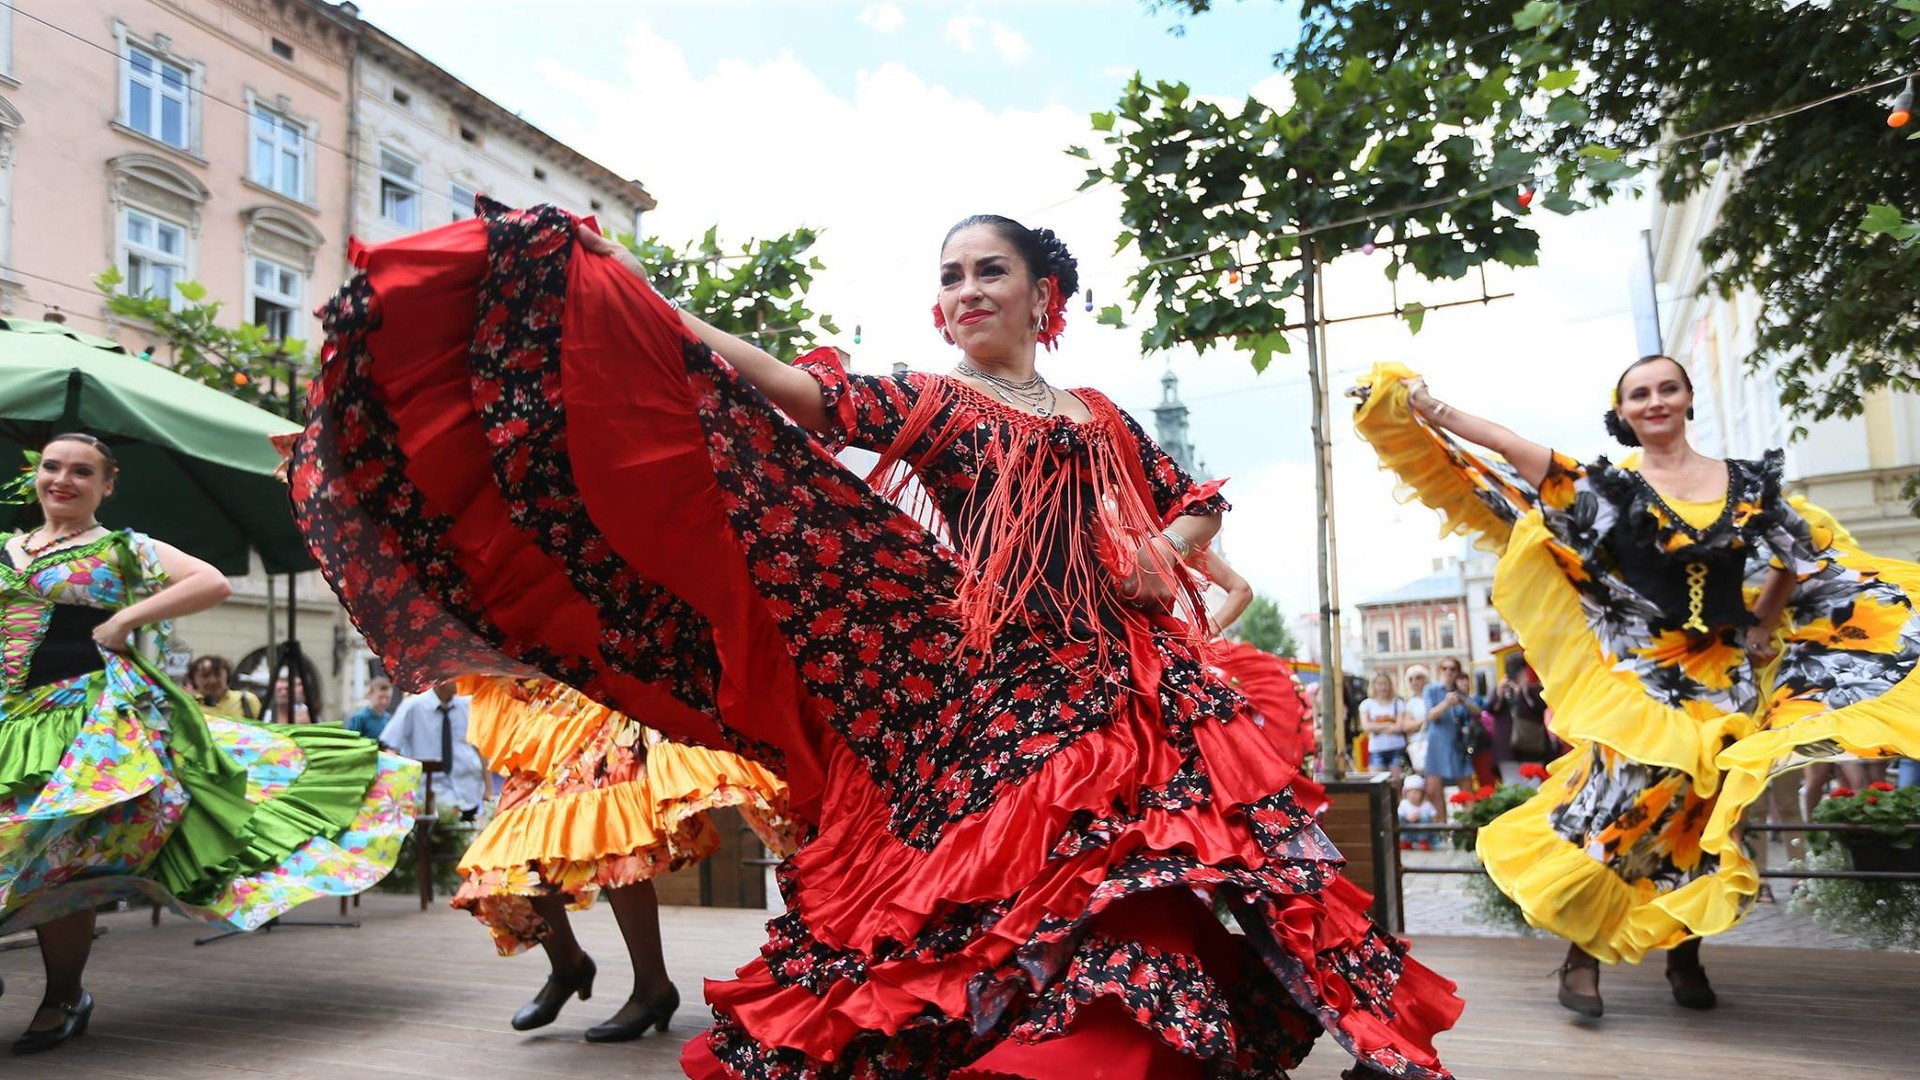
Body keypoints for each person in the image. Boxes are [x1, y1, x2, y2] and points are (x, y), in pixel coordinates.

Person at [289, 201, 1461, 1080]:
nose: (965, 290)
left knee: (1236, 857)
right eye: (949, 276)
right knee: (1059, 887)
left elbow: (1193, 494)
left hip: (1135, 676)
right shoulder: (936, 403)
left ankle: (1342, 1039)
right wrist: (652, 306)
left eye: (988, 270)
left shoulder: (1098, 413)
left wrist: (1164, 545)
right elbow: (793, 392)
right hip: (1013, 690)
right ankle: (1083, 1045)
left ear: (1043, 292)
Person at [1352, 354, 1920, 1020]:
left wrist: (1764, 623)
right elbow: (1509, 450)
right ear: (1622, 412)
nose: (1655, 401)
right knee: (1619, 809)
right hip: (1643, 682)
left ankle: (1685, 955)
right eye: (1639, 393)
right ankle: (1583, 954)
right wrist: (1430, 408)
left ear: (1686, 398)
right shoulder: (1610, 491)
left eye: (1667, 388)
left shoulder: (1745, 484)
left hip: (1724, 683)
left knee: (1700, 817)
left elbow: (1800, 554)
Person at [0, 432, 419, 1054]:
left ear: (106, 485)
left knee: (57, 853)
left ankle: (63, 994)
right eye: (53, 467)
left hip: (80, 719)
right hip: (10, 721)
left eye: (82, 472)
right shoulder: (7, 548)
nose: (63, 480)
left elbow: (211, 582)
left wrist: (125, 619)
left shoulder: (122, 548)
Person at [453, 677, 794, 1042]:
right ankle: (568, 966)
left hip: (602, 692)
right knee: (519, 846)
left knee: (614, 840)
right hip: (544, 701)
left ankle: (653, 987)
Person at [380, 682, 485, 818]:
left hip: (469, 791)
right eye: (456, 677)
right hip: (428, 795)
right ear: (442, 681)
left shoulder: (468, 705)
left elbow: (481, 747)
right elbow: (389, 746)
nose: (462, 680)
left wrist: (488, 789)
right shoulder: (413, 706)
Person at [1420, 660, 1479, 808]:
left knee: (1466, 789)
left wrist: (1463, 699)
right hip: (1437, 744)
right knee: (1434, 791)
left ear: (1457, 672)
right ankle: (1441, 822)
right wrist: (1446, 703)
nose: (1448, 672)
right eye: (1445, 668)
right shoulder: (1431, 689)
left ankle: (1470, 821)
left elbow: (1477, 711)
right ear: (1439, 670)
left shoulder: (1459, 692)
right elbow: (1430, 715)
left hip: (1457, 744)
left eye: (1452, 669)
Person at [1487, 653, 1550, 782]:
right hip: (1507, 747)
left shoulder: (1534, 689)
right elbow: (1491, 709)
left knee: (1534, 786)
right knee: (1512, 787)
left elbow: (1539, 706)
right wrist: (1500, 693)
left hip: (1531, 745)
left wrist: (1524, 690)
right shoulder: (1502, 690)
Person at [1360, 671, 1412, 781]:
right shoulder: (1367, 704)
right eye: (1379, 684)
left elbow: (1399, 727)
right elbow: (1366, 726)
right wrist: (1388, 724)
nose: (1383, 687)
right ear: (1374, 685)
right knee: (1377, 780)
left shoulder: (1398, 703)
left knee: (1396, 781)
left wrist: (1376, 727)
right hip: (1376, 748)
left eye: (1385, 683)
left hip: (1396, 748)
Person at [184, 653, 261, 721]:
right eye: (205, 675)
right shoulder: (188, 706)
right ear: (193, 679)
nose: (212, 681)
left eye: (218, 675)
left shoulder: (246, 700)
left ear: (227, 677)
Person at [1398, 776, 1440, 851]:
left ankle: (1423, 841)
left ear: (1422, 793)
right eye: (1410, 792)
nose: (1413, 795)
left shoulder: (1426, 805)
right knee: (1401, 817)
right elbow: (1399, 814)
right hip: (1409, 831)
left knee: (1425, 818)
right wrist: (1407, 817)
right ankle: (1405, 841)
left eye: (1416, 792)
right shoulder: (1404, 804)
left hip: (1423, 832)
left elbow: (1434, 815)